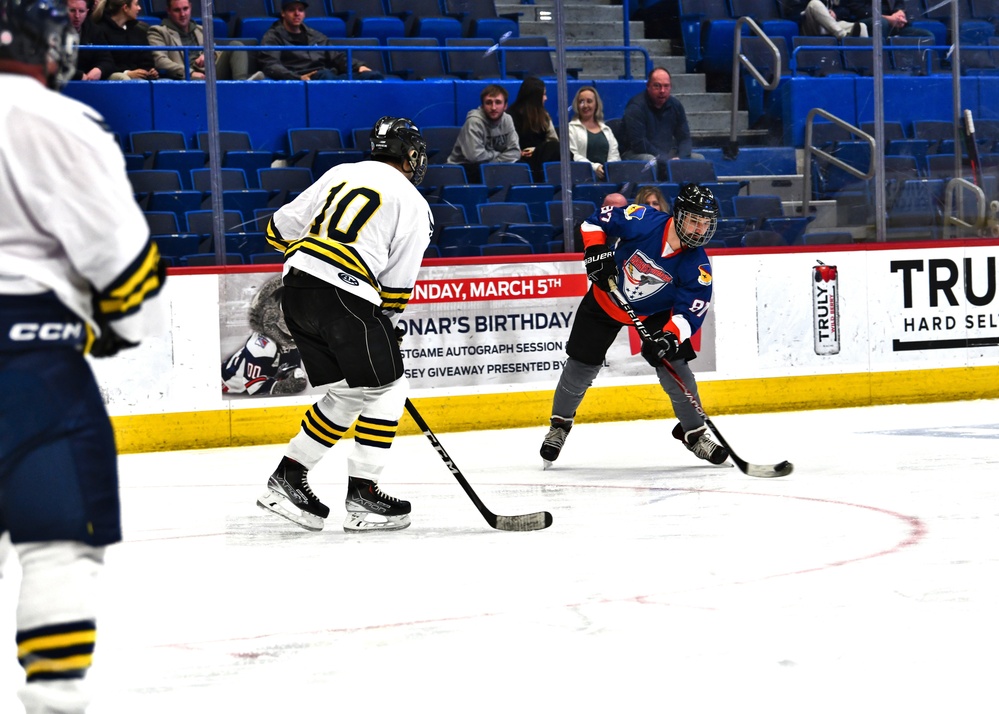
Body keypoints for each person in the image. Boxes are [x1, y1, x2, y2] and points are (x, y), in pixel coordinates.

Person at [0, 0, 167, 710]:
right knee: (57, 540)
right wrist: (120, 329)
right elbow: (125, 272)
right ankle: (54, 700)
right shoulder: (57, 121)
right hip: (28, 359)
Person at [256, 116, 431, 533]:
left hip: (296, 290)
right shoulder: (413, 203)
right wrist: (381, 320)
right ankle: (364, 494)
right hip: (345, 293)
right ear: (409, 155)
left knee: (348, 395)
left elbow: (275, 230)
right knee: (390, 387)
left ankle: (287, 478)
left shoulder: (340, 173)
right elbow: (395, 293)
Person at [539, 183, 729, 469]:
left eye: (705, 223)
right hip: (606, 298)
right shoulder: (644, 219)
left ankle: (694, 434)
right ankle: (559, 426)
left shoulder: (698, 266)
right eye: (694, 220)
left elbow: (689, 313)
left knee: (676, 367)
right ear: (678, 215)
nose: (700, 229)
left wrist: (668, 338)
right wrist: (596, 251)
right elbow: (594, 222)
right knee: (580, 366)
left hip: (654, 313)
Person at [222, 276, 307, 396]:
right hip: (230, 388)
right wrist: (286, 386)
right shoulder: (261, 346)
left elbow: (287, 369)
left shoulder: (290, 341)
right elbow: (254, 388)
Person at [258, 0, 382, 81]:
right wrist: (298, 77)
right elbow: (271, 65)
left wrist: (359, 66)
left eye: (300, 10)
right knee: (326, 76)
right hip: (302, 78)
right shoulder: (273, 36)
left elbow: (337, 56)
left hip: (327, 76)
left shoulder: (315, 35)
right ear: (283, 13)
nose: (297, 14)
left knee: (373, 76)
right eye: (291, 10)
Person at [148, 0, 259, 80]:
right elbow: (160, 61)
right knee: (200, 81)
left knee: (236, 45)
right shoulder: (158, 32)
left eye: (185, 9)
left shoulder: (201, 29)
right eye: (177, 10)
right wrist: (190, 73)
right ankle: (244, 88)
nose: (182, 14)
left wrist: (207, 55)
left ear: (190, 7)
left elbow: (215, 51)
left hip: (211, 72)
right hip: (187, 78)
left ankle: (242, 85)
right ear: (168, 11)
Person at [620, 67, 700, 171]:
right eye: (657, 86)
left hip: (665, 154)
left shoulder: (676, 105)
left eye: (666, 86)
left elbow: (684, 138)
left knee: (699, 160)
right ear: (648, 86)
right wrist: (666, 159)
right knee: (651, 160)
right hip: (635, 154)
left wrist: (681, 158)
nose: (662, 91)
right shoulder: (636, 107)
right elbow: (639, 144)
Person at [447, 83, 521, 183]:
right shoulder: (474, 121)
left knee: (519, 166)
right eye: (489, 102)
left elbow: (515, 152)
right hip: (462, 168)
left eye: (498, 102)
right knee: (480, 169)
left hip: (490, 166)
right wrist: (499, 155)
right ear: (482, 106)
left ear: (505, 106)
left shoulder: (507, 119)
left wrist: (495, 161)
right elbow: (475, 157)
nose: (493, 107)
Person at [508, 76, 560, 182]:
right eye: (544, 94)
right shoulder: (510, 116)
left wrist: (536, 150)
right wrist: (519, 152)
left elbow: (553, 140)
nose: (546, 98)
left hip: (541, 156)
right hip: (520, 159)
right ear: (535, 97)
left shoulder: (544, 116)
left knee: (558, 148)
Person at [91, 0, 159, 80]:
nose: (139, 8)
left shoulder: (139, 31)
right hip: (113, 76)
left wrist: (150, 70)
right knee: (125, 79)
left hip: (139, 78)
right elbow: (104, 62)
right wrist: (127, 73)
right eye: (136, 4)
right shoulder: (100, 30)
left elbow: (146, 60)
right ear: (126, 8)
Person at [567, 85, 620, 181]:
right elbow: (573, 155)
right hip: (583, 178)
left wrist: (608, 169)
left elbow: (614, 155)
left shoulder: (606, 130)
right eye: (581, 102)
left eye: (589, 101)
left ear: (596, 105)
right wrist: (595, 167)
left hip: (607, 177)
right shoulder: (570, 128)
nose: (585, 105)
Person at [69, 0, 114, 80]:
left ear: (87, 12)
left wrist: (100, 69)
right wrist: (78, 75)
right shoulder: (51, 30)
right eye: (72, 10)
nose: (77, 16)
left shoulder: (94, 30)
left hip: (88, 83)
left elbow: (107, 60)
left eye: (81, 11)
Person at [840, 0, 934, 39]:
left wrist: (900, 13)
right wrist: (889, 18)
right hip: (866, 22)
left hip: (892, 24)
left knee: (927, 36)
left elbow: (899, 4)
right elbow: (858, 11)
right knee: (881, 23)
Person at [783, 0, 868, 39]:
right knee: (814, 3)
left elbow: (846, 10)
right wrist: (819, 12)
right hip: (810, 25)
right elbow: (793, 13)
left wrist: (835, 13)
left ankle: (869, 69)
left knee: (862, 27)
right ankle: (842, 36)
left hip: (831, 24)